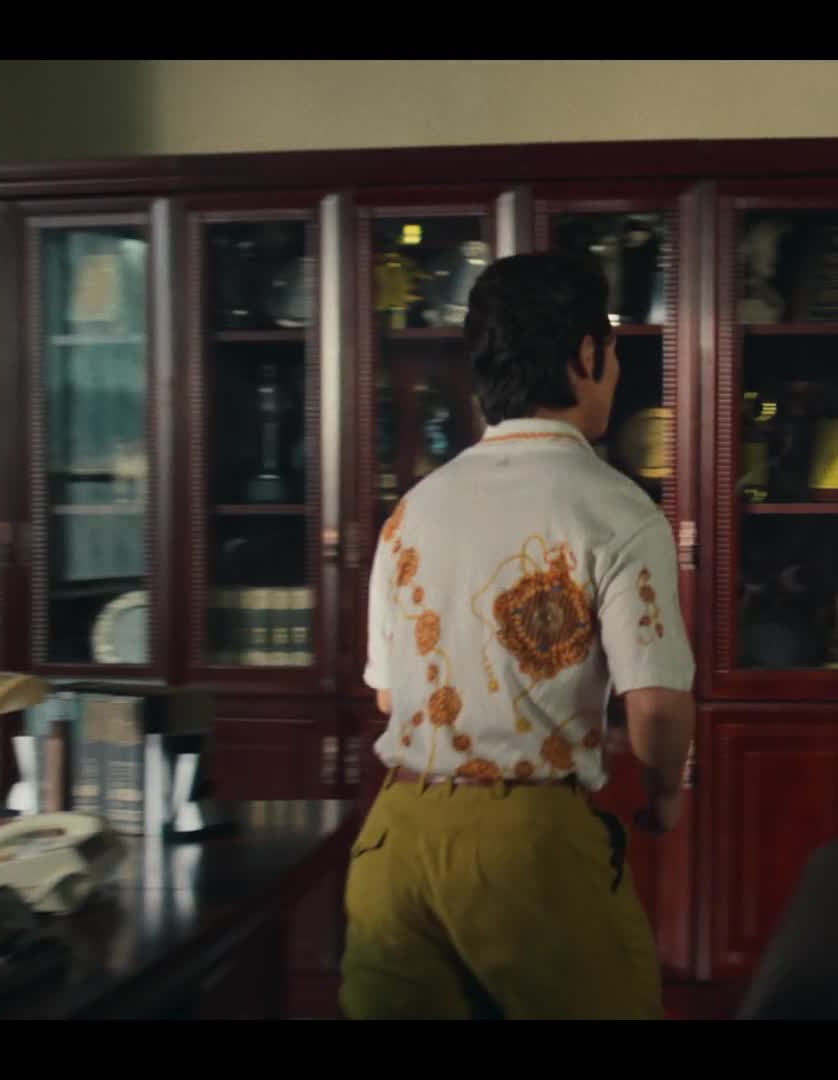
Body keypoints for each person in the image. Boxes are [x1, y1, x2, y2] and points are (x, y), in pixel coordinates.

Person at [339, 252, 696, 1021]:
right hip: (524, 847)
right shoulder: (616, 510)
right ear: (585, 355)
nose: (616, 371)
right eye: (612, 351)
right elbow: (658, 706)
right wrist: (666, 792)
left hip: (394, 837)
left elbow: (388, 694)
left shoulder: (415, 508)